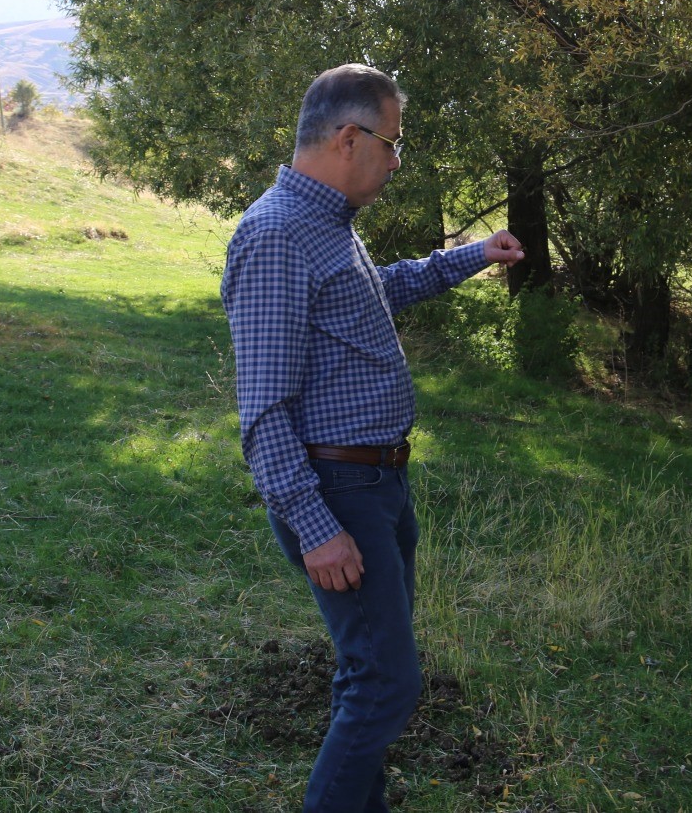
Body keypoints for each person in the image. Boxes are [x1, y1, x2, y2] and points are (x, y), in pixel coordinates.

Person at [221, 63, 524, 812]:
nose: (395, 163)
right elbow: (262, 413)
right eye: (393, 146)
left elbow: (374, 292)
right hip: (338, 493)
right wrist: (317, 527)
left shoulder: (326, 225)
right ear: (350, 138)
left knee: (373, 674)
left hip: (378, 485)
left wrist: (469, 257)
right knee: (386, 682)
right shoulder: (276, 236)